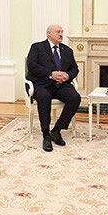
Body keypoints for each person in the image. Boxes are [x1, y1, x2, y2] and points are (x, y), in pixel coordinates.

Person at [26, 24, 81, 152]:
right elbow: (32, 66)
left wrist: (67, 76)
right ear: (48, 34)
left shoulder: (67, 50)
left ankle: (56, 130)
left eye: (62, 32)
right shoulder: (37, 47)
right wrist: (51, 74)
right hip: (42, 84)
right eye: (57, 32)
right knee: (44, 97)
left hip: (61, 84)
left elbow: (75, 68)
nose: (61, 34)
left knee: (75, 98)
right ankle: (46, 134)